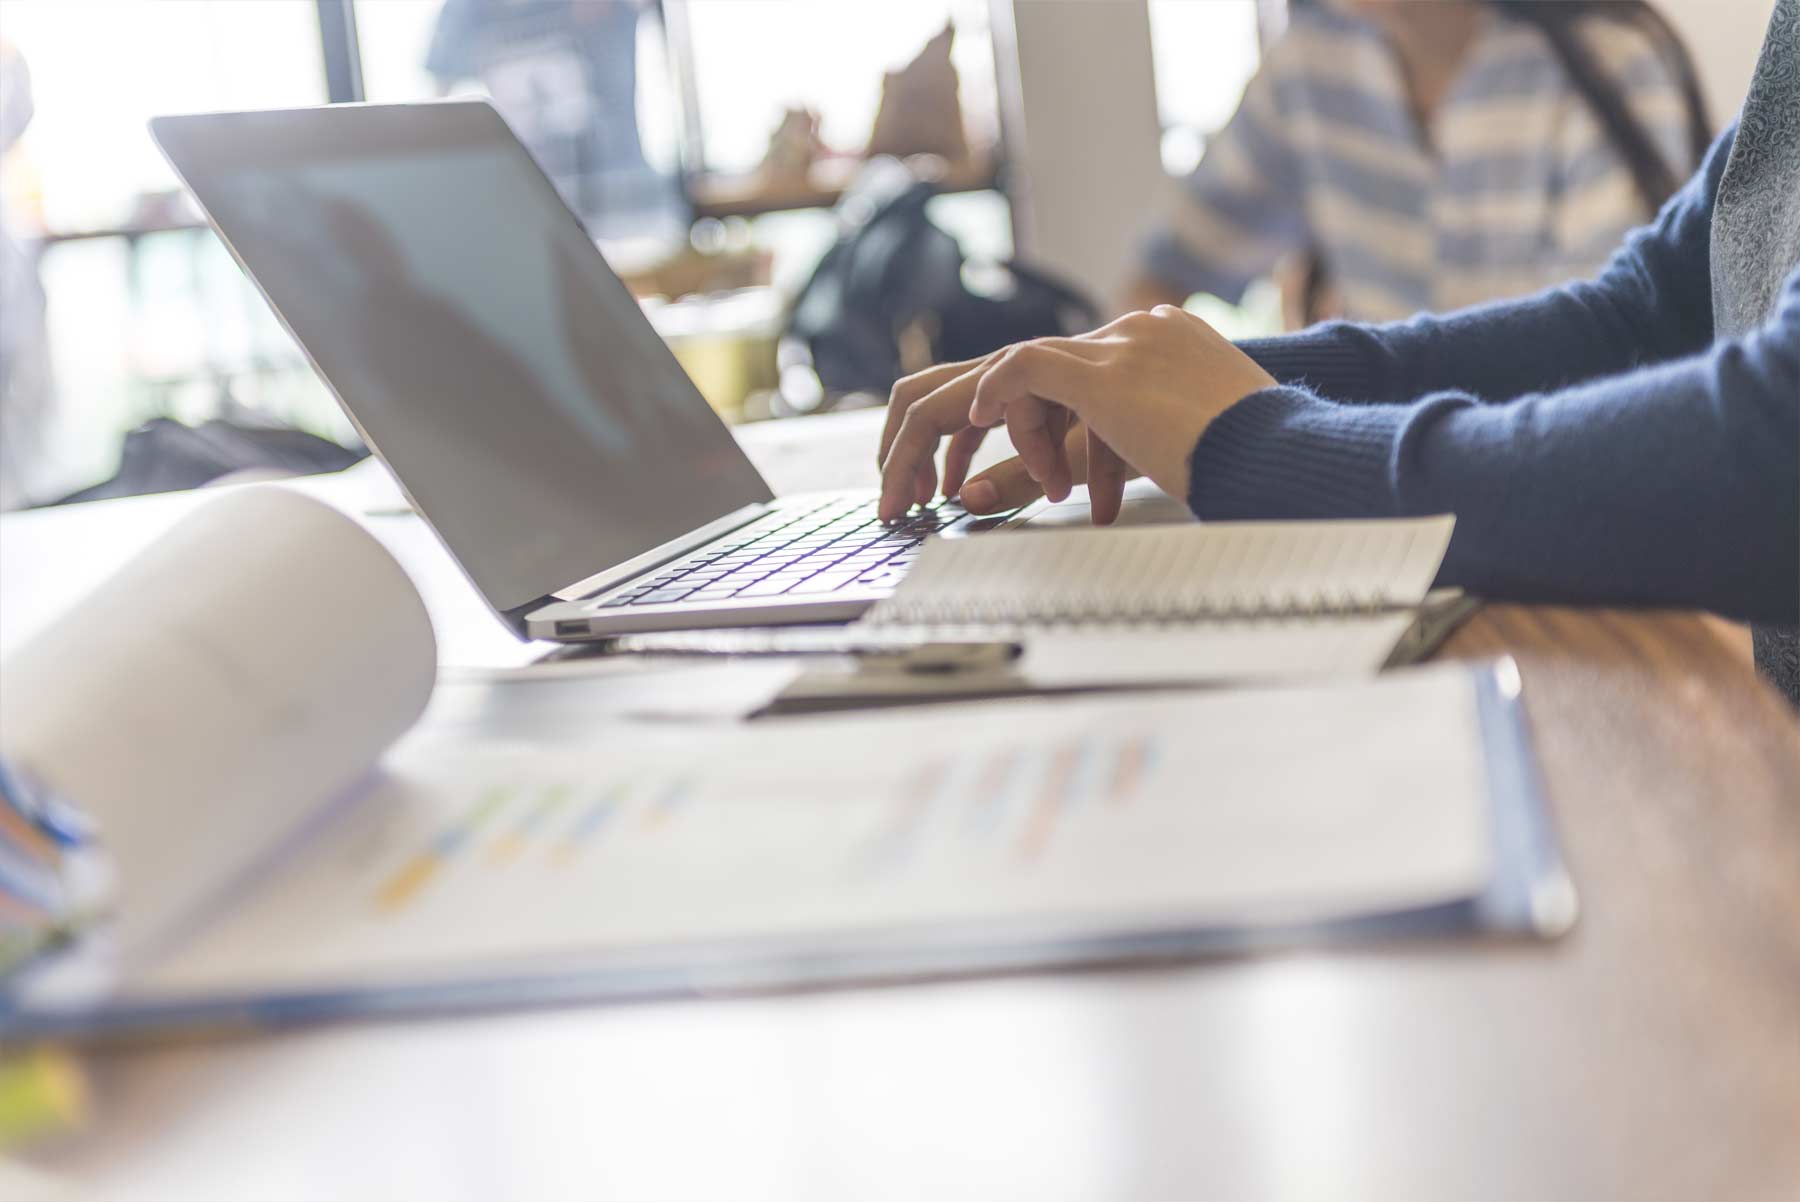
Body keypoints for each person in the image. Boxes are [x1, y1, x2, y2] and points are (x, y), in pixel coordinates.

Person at [875, 1, 1799, 705]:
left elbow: (1771, 452)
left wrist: (1258, 442)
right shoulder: (1317, 64)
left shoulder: (1602, 61)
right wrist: (1175, 384)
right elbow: (1640, 318)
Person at [1128, 0, 1712, 324]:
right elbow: (1171, 261)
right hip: (1374, 487)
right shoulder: (1310, 62)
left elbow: (1612, 350)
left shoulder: (1612, 65)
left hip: (1550, 480)